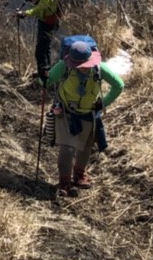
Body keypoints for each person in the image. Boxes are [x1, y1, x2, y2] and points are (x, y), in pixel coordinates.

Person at [47, 38, 124, 198]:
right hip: (66, 111)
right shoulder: (63, 66)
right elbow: (47, 80)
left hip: (89, 112)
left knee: (85, 146)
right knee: (67, 149)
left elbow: (118, 85)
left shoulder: (99, 68)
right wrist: (42, 76)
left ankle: (79, 174)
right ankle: (64, 182)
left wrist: (103, 103)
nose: (82, 69)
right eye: (79, 66)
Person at [16, 0, 60, 83]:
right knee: (46, 48)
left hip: (48, 22)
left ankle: (44, 76)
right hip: (46, 20)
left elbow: (41, 8)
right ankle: (47, 71)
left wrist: (26, 13)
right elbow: (42, 2)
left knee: (40, 50)